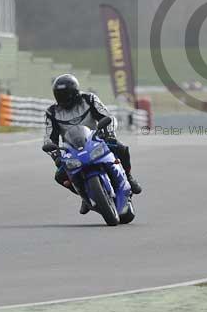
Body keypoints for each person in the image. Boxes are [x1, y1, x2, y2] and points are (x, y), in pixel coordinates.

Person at [44, 74, 142, 215]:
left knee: (122, 149)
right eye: (59, 95)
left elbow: (107, 117)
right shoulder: (51, 112)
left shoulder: (89, 99)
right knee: (60, 176)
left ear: (74, 92)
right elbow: (49, 138)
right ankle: (85, 196)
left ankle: (129, 176)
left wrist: (109, 135)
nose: (63, 98)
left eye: (66, 94)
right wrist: (56, 156)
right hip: (71, 149)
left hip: (96, 139)